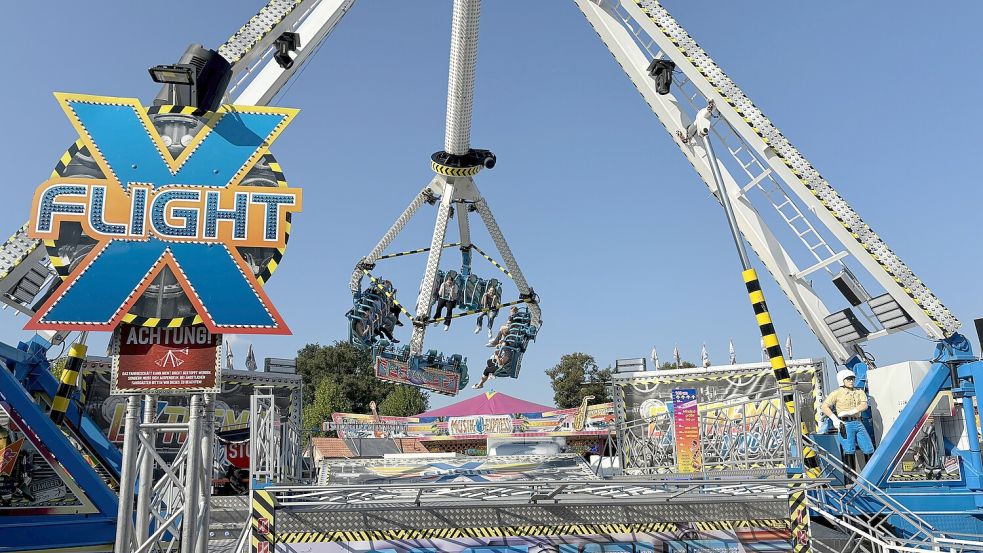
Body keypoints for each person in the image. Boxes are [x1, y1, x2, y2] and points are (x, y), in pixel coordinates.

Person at [821, 369, 874, 460]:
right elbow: (824, 406)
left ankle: (871, 473)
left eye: (852, 379)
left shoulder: (859, 392)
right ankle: (850, 474)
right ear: (842, 380)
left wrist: (851, 412)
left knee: (868, 448)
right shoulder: (837, 393)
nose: (851, 381)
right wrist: (835, 419)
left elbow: (864, 405)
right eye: (848, 379)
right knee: (849, 449)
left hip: (858, 422)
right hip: (845, 424)